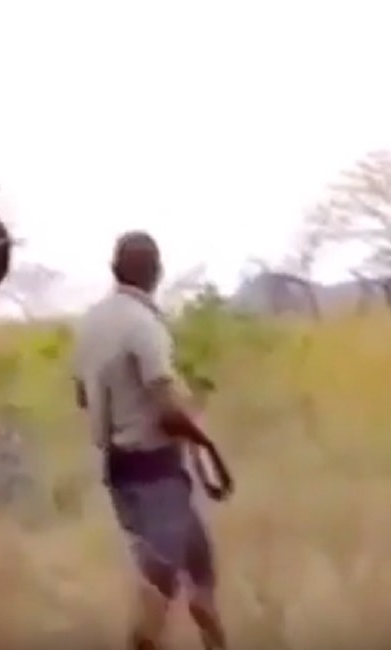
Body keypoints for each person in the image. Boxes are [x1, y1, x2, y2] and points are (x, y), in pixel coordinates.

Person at [71, 231, 229, 650]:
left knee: (200, 569)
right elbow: (165, 411)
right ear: (157, 273)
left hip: (119, 469)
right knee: (161, 587)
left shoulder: (90, 323)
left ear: (113, 269)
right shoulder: (145, 326)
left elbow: (83, 397)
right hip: (155, 471)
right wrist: (200, 434)